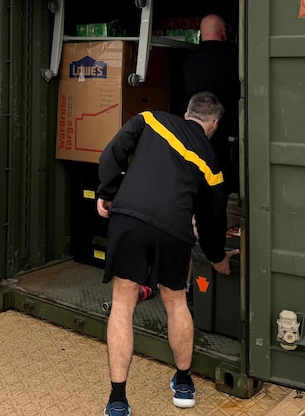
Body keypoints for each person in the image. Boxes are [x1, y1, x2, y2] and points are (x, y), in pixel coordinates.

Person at [96, 92, 238, 415]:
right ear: (214, 124)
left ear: (186, 113)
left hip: (130, 217)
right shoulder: (212, 163)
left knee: (122, 304)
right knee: (175, 302)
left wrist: (106, 192)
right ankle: (184, 385)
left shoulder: (150, 119)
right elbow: (212, 219)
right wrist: (217, 256)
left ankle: (118, 402)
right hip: (175, 229)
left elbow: (112, 154)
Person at [182, 14, 240, 197]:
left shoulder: (188, 58)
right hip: (223, 131)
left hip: (191, 129)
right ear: (224, 32)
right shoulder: (234, 55)